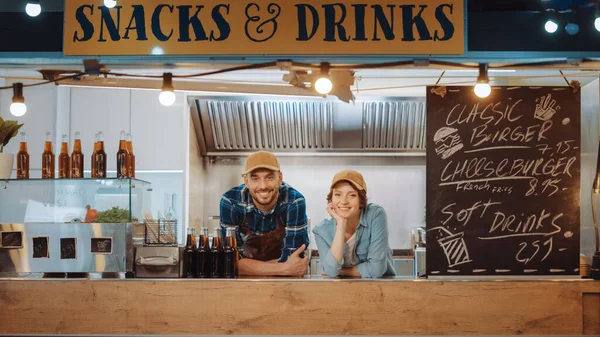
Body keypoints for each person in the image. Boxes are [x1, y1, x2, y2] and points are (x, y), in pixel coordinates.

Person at [220, 151, 309, 276]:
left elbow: (294, 259)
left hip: (285, 283)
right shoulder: (231, 202)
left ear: (280, 178)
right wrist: (283, 268)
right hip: (243, 283)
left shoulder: (294, 201)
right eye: (255, 178)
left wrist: (248, 266)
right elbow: (229, 262)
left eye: (269, 177)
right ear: (246, 181)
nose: (263, 186)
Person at [312, 170, 396, 278]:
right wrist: (341, 226)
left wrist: (342, 271)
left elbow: (376, 270)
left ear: (361, 200)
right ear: (331, 200)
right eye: (338, 194)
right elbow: (331, 272)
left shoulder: (375, 215)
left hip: (379, 288)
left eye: (351, 195)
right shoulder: (321, 231)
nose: (343, 201)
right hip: (342, 290)